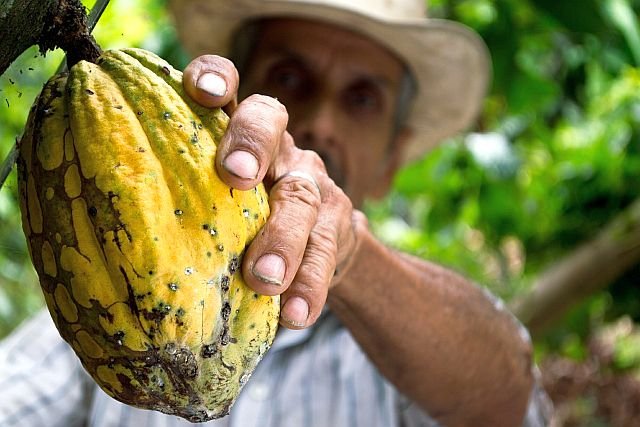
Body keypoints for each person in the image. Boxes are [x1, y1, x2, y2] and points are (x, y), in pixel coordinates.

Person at [0, 0, 552, 425]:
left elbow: (506, 395)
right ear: (226, 94)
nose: (319, 122)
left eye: (362, 99)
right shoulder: (97, 296)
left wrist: (349, 256)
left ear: (393, 159)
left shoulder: (412, 355)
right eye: (289, 79)